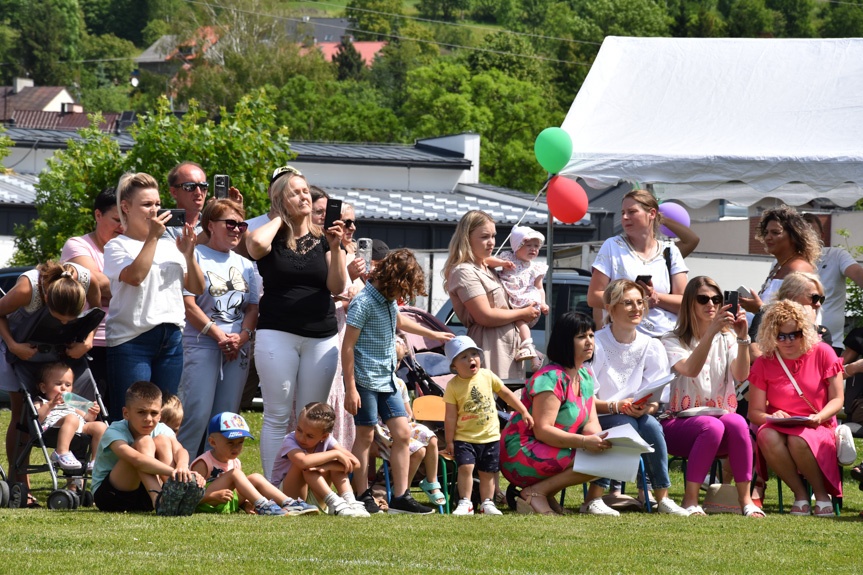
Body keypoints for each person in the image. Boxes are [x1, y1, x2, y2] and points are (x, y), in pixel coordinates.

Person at [246, 169, 347, 479]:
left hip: (321, 337)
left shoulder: (325, 238)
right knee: (276, 415)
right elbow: (254, 247)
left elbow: (338, 286)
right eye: (295, 193)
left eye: (306, 191)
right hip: (277, 334)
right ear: (280, 201)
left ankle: (301, 485)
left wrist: (335, 248)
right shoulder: (270, 235)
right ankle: (275, 487)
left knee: (311, 419)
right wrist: (280, 217)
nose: (305, 196)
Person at [344, 248, 453, 515]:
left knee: (403, 434)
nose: (399, 297)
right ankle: (361, 495)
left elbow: (400, 319)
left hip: (388, 379)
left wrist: (431, 333)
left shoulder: (387, 300)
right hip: (365, 380)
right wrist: (350, 388)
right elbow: (347, 347)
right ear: (390, 280)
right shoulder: (364, 302)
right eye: (398, 290)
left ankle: (400, 497)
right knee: (366, 437)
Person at [103, 172, 205, 421]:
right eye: (147, 204)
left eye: (158, 204)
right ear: (125, 207)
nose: (155, 210)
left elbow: (197, 288)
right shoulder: (117, 245)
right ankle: (125, 460)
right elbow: (135, 277)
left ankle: (158, 461)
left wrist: (190, 254)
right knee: (130, 420)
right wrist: (152, 237)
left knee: (164, 419)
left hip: (171, 340)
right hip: (132, 341)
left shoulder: (171, 246)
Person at [660, 276, 763, 517]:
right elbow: (690, 369)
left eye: (717, 299)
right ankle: (690, 500)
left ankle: (745, 501)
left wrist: (742, 339)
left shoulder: (727, 338)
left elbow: (741, 374)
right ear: (689, 304)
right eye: (703, 299)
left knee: (737, 421)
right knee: (711, 426)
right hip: (679, 424)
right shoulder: (671, 339)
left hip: (719, 422)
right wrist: (711, 333)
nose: (711, 304)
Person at [585, 279, 688, 516]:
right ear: (610, 309)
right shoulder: (596, 343)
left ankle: (662, 498)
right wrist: (615, 406)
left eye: (640, 302)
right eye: (628, 303)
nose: (637, 308)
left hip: (633, 415)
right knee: (626, 423)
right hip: (596, 416)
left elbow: (656, 398)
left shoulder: (650, 345)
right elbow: (584, 398)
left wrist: (646, 409)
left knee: (650, 424)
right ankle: (593, 498)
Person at [0, 259, 100, 503]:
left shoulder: (88, 280)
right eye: (59, 318)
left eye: (71, 319)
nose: (65, 323)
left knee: (83, 411)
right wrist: (14, 345)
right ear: (46, 301)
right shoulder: (27, 288)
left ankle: (76, 480)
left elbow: (97, 309)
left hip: (59, 351)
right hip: (19, 345)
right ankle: (19, 480)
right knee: (21, 414)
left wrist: (87, 340)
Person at [500, 312, 612, 515]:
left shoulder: (585, 375)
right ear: (565, 342)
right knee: (595, 461)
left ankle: (541, 492)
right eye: (581, 337)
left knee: (606, 458)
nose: (589, 342)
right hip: (523, 449)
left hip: (551, 446)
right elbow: (542, 430)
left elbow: (591, 423)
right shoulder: (551, 378)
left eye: (591, 336)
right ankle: (535, 493)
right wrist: (585, 444)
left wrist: (600, 441)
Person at [176, 199, 258, 458]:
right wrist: (218, 334)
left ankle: (215, 477)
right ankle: (181, 476)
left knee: (225, 421)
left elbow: (252, 308)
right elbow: (188, 303)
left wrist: (242, 337)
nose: (236, 229)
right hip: (201, 346)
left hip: (237, 350)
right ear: (211, 225)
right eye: (230, 223)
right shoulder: (195, 254)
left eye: (241, 225)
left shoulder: (246, 264)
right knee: (195, 416)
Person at [748, 300, 845, 517]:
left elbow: (838, 399)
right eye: (781, 336)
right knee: (766, 435)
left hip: (819, 424)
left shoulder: (823, 352)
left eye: (795, 334)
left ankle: (821, 495)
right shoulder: (764, 362)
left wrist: (819, 416)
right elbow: (754, 413)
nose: (788, 341)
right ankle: (800, 495)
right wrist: (772, 416)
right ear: (771, 335)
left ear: (805, 330)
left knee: (798, 439)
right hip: (779, 426)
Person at [443, 335, 533, 516]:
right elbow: (450, 417)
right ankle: (465, 502)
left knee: (488, 472)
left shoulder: (487, 375)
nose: (471, 359)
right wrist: (450, 441)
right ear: (454, 366)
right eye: (464, 356)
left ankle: (487, 503)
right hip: (464, 438)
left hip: (490, 437)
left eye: (474, 354)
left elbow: (507, 394)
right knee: (465, 468)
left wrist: (523, 410)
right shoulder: (453, 386)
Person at [443, 210, 537, 381]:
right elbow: (484, 315)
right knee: (494, 403)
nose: (491, 242)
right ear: (466, 238)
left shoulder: (489, 268)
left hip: (511, 348)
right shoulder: (464, 271)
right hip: (489, 346)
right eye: (484, 237)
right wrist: (523, 313)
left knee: (511, 403)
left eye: (493, 236)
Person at [91, 381, 206, 515]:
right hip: (112, 497)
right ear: (126, 413)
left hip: (142, 497)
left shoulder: (161, 429)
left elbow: (180, 450)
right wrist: (174, 472)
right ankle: (159, 498)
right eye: (141, 412)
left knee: (163, 440)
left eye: (154, 413)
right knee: (144, 441)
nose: (148, 419)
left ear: (160, 414)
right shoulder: (114, 431)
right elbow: (137, 460)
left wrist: (183, 468)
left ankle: (175, 491)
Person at [588, 189, 688, 337]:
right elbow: (593, 297)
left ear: (652, 214)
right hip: (623, 340)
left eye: (632, 212)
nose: (625, 217)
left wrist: (656, 298)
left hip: (665, 339)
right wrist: (635, 300)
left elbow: (685, 303)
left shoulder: (671, 251)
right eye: (622, 213)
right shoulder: (612, 246)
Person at [60, 186, 124, 404]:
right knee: (85, 414)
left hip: (126, 340)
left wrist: (106, 286)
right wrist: (129, 287)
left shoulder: (132, 248)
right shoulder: (77, 245)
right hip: (89, 344)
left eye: (127, 219)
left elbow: (103, 285)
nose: (123, 226)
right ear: (98, 214)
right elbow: (97, 284)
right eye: (116, 219)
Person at [191, 412, 318, 516]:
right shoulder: (203, 462)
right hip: (208, 504)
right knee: (235, 474)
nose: (236, 448)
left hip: (227, 503)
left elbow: (239, 489)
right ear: (213, 442)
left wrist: (246, 503)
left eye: (240, 442)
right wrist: (212, 495)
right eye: (230, 443)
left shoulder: (235, 462)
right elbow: (189, 496)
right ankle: (264, 506)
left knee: (255, 477)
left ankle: (289, 503)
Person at [372, 336, 445, 508]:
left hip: (402, 425)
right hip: (384, 431)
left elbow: (408, 412)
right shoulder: (375, 383)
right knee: (418, 451)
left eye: (398, 361)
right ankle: (402, 491)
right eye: (391, 360)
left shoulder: (400, 384)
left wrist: (409, 421)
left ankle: (431, 481)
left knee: (432, 438)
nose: (395, 364)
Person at [270, 402, 369, 517]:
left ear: (324, 436)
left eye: (309, 436)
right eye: (299, 430)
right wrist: (335, 453)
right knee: (306, 464)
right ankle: (335, 502)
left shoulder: (328, 440)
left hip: (316, 497)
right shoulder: (290, 440)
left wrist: (327, 466)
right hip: (287, 498)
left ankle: (349, 502)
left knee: (339, 463)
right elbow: (303, 462)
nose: (302, 437)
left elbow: (355, 463)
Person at [739, 205, 821, 316]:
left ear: (794, 236)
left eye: (775, 232)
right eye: (766, 232)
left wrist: (759, 308)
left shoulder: (798, 268)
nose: (768, 237)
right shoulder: (779, 265)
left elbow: (798, 317)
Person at [486, 225, 548, 367]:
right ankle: (536, 355)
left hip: (526, 300)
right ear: (516, 245)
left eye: (536, 246)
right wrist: (502, 263)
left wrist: (543, 303)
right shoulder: (508, 258)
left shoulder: (535, 267)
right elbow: (487, 261)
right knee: (516, 325)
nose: (533, 249)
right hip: (512, 300)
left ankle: (528, 346)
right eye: (528, 245)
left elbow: (540, 288)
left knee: (520, 321)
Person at [802, 213, 863, 353]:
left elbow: (859, 276)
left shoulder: (836, 255)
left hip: (829, 344)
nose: (806, 238)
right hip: (791, 341)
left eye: (812, 233)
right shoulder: (783, 262)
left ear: (822, 236)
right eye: (801, 233)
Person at [34, 362, 106, 471]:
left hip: (78, 428)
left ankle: (96, 461)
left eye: (68, 385)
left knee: (101, 426)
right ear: (44, 387)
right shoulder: (42, 401)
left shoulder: (72, 402)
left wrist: (92, 413)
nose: (64, 388)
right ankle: (61, 452)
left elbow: (87, 419)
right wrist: (51, 404)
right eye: (58, 384)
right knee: (72, 417)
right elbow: (36, 418)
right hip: (53, 429)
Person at [162, 162, 243, 244]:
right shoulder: (163, 225)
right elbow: (179, 255)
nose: (198, 192)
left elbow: (244, 251)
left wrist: (236, 215)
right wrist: (211, 220)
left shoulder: (220, 223)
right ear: (174, 192)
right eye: (189, 187)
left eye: (203, 186)